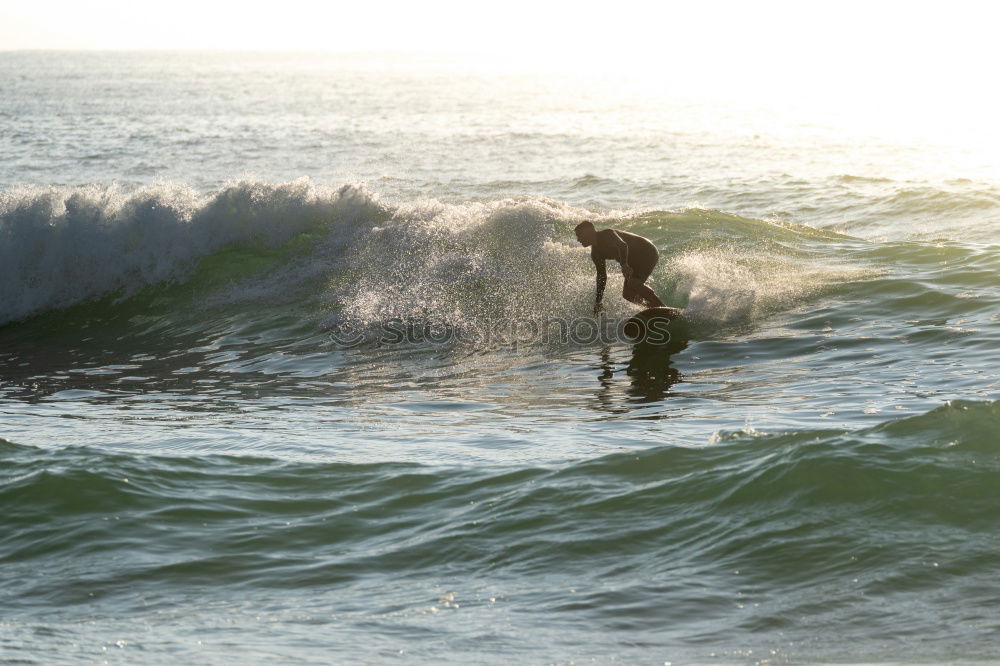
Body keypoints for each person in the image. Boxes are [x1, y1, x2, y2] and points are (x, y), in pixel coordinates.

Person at [574, 221, 666, 314]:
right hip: (633, 261)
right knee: (627, 294)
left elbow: (622, 245)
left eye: (579, 235)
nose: (578, 239)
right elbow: (602, 277)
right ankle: (654, 309)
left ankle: (662, 307)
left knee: (634, 283)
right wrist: (598, 301)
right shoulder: (596, 254)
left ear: (588, 233)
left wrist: (624, 264)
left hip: (646, 250)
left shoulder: (608, 234)